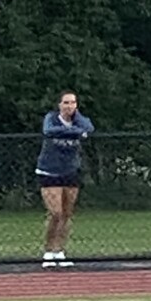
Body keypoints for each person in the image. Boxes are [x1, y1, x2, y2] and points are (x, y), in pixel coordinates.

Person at [35, 90, 94, 268]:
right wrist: (74, 132)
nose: (70, 107)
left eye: (73, 103)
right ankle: (48, 250)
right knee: (56, 213)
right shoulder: (51, 119)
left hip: (70, 171)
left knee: (67, 214)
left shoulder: (79, 119)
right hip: (49, 171)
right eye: (66, 103)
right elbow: (49, 131)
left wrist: (77, 124)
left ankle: (60, 250)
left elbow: (89, 128)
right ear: (59, 105)